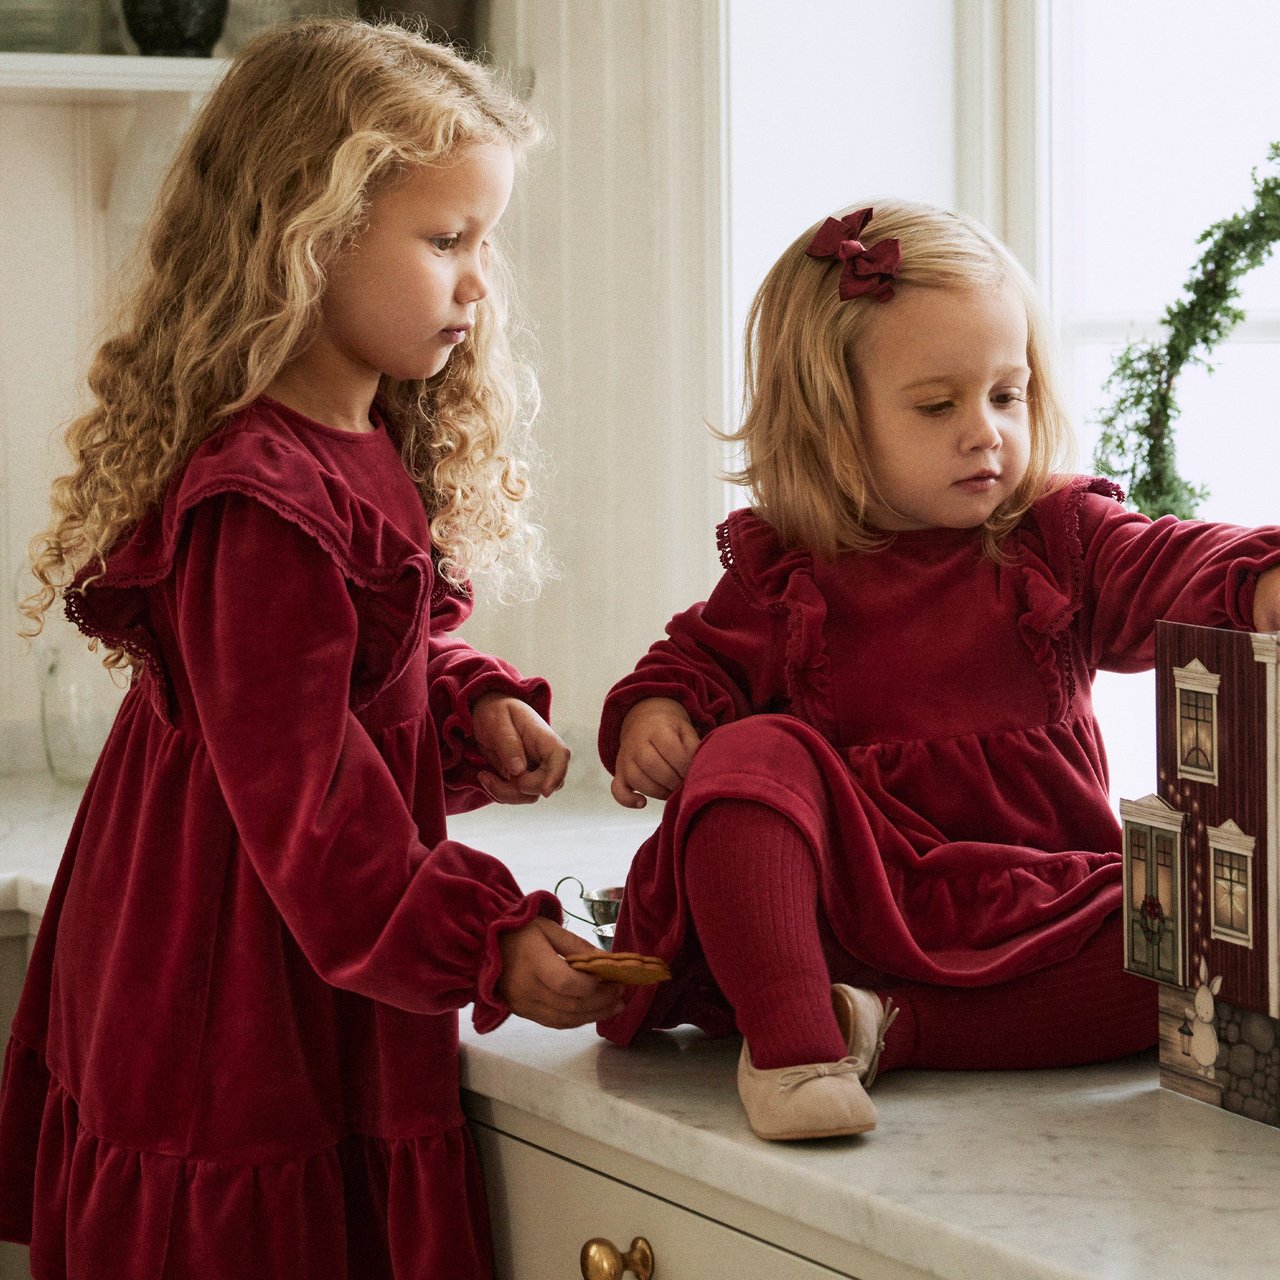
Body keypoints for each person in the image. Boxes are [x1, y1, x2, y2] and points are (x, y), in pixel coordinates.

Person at [0, 19, 621, 1278]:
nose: (478, 283)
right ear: (303, 232)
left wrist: (465, 701)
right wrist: (484, 938)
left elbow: (352, 678)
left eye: (482, 241)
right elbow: (309, 796)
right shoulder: (258, 493)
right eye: (444, 240)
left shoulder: (359, 443)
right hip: (231, 981)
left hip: (307, 943)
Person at [597, 199, 1280, 1142]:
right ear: (833, 418)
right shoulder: (790, 571)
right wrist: (660, 710)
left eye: (1007, 394)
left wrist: (1255, 583)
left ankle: (883, 1030)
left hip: (1040, 906)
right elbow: (694, 661)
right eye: (938, 404)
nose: (986, 432)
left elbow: (1166, 562)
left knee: (1203, 941)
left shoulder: (1058, 541)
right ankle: (793, 1043)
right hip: (849, 908)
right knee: (750, 758)